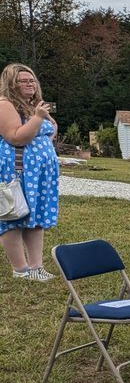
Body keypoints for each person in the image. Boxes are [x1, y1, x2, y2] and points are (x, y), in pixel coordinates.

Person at [0, 64, 59, 281]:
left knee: (37, 217)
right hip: (17, 170)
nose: (30, 83)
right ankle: (21, 269)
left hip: (39, 173)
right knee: (13, 214)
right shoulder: (5, 105)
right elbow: (16, 137)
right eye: (23, 80)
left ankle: (36, 267)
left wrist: (44, 128)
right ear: (11, 83)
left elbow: (48, 131)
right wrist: (37, 118)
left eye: (32, 80)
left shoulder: (32, 105)